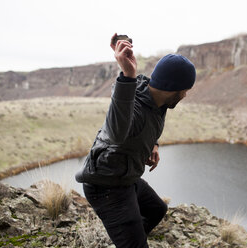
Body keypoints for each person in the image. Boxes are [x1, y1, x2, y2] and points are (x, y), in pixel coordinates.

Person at [75, 33, 196, 248]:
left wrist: (153, 144)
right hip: (106, 185)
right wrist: (128, 75)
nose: (185, 95)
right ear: (172, 88)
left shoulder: (160, 103)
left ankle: (129, 238)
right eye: (184, 90)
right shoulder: (133, 104)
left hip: (126, 177)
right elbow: (116, 134)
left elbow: (151, 126)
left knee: (157, 210)